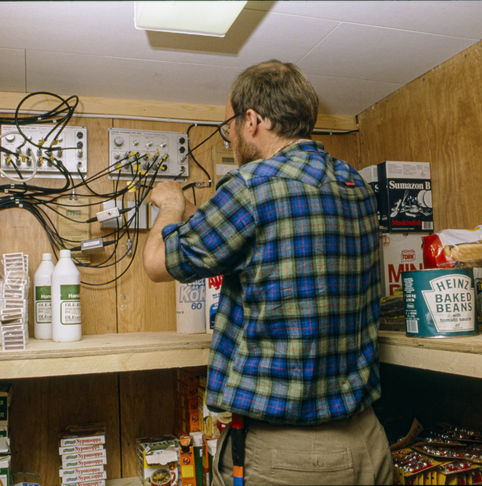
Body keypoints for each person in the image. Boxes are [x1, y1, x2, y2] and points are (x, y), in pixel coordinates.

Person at [143, 60, 393, 485]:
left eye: (230, 125)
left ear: (252, 120)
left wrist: (171, 206)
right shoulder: (355, 186)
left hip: (288, 458)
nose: (231, 137)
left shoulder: (252, 186)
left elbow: (157, 263)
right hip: (368, 441)